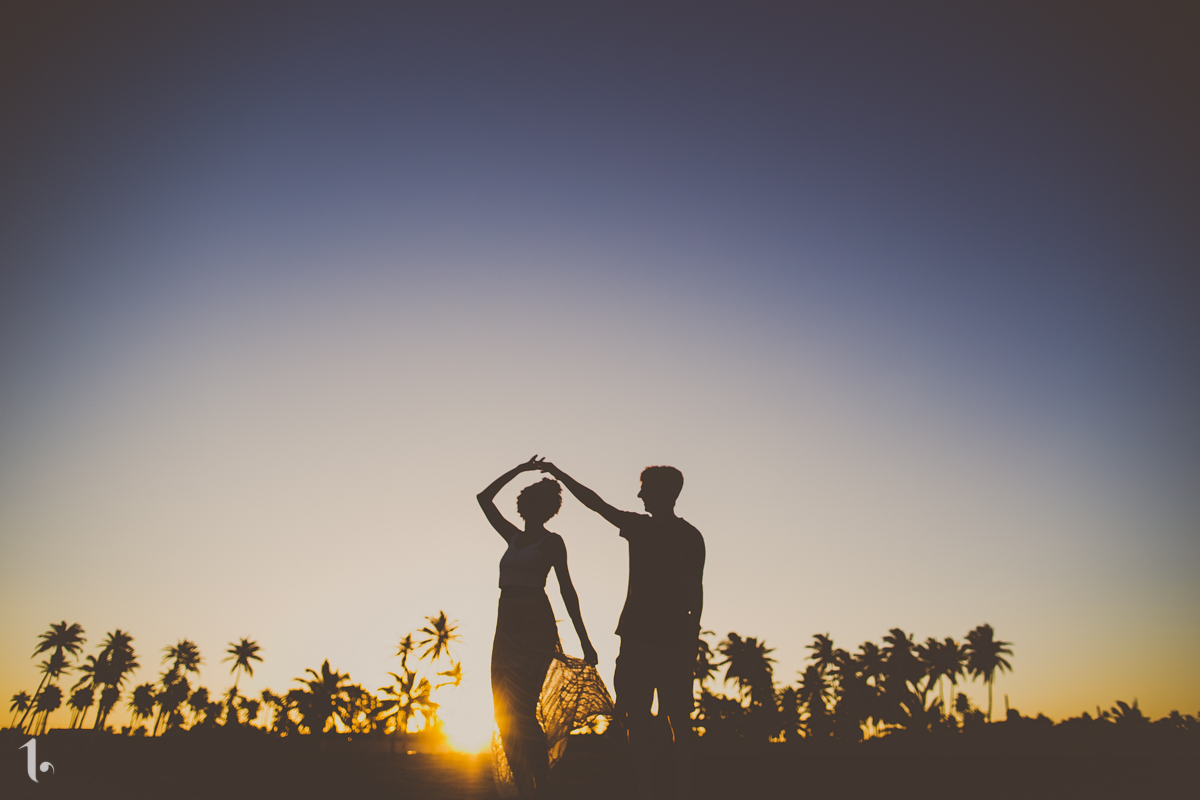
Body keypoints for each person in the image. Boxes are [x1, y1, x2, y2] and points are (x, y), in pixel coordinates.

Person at [538, 461, 704, 800]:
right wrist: (690, 638)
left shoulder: (668, 532)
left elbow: (695, 591)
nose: (639, 495)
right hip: (646, 639)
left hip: (657, 641)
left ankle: (673, 789)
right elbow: (696, 593)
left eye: (644, 489)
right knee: (646, 718)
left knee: (664, 720)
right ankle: (655, 788)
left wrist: (690, 638)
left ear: (662, 492)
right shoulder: (673, 532)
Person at [478, 456, 613, 799]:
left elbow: (567, 590)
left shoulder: (552, 542)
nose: (534, 509)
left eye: (542, 504)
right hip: (505, 626)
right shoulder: (511, 536)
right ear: (522, 506)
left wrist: (585, 641)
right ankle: (526, 788)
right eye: (530, 502)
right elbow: (483, 498)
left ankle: (542, 786)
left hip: (534, 625)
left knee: (523, 710)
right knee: (503, 710)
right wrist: (519, 469)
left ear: (549, 511)